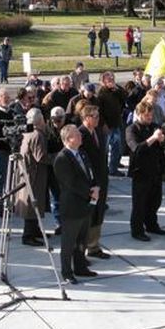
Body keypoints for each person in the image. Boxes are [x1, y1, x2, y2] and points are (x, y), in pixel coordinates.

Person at [53, 124, 99, 284]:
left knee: (82, 240)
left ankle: (80, 267)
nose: (80, 137)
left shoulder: (82, 153)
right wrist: (89, 192)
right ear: (68, 139)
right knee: (69, 242)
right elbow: (71, 183)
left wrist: (95, 185)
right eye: (76, 135)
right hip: (72, 205)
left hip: (85, 203)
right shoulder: (62, 158)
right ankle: (67, 271)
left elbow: (90, 172)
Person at [125, 100, 165, 241]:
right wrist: (153, 138)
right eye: (146, 115)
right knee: (140, 203)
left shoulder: (155, 127)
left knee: (155, 201)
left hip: (156, 170)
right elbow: (136, 149)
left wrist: (162, 139)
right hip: (141, 172)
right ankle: (137, 230)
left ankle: (151, 224)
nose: (150, 117)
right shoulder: (132, 129)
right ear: (139, 115)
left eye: (151, 115)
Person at [78, 105, 111, 260]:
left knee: (98, 213)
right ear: (86, 118)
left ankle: (93, 246)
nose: (98, 119)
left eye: (98, 116)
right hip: (89, 182)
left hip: (101, 178)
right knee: (87, 217)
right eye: (95, 116)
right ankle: (81, 251)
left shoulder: (97, 131)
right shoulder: (80, 134)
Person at [17, 109, 52, 246]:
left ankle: (36, 230)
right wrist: (57, 158)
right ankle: (28, 235)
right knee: (33, 204)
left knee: (35, 202)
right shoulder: (37, 135)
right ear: (39, 120)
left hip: (31, 173)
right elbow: (41, 157)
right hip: (34, 175)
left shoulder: (28, 132)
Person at [96, 71, 126, 177]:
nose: (111, 81)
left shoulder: (116, 91)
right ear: (103, 81)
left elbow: (124, 98)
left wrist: (117, 89)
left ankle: (113, 167)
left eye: (112, 79)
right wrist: (103, 124)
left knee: (117, 147)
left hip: (116, 122)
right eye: (109, 79)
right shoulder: (101, 93)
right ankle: (104, 168)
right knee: (105, 149)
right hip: (106, 125)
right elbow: (99, 111)